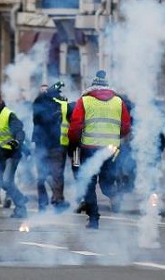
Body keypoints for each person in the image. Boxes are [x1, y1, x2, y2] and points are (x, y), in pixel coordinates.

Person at [67, 70, 131, 229]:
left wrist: (74, 142)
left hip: (89, 148)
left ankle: (94, 218)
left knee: (88, 183)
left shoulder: (85, 101)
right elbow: (126, 127)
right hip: (111, 149)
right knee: (107, 180)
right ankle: (114, 195)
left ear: (92, 87)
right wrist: (116, 137)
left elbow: (75, 126)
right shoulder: (118, 101)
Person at [32, 81, 71, 213]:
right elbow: (41, 114)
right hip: (41, 144)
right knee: (41, 176)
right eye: (42, 90)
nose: (45, 92)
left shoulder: (59, 103)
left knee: (57, 174)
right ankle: (42, 203)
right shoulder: (38, 103)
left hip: (57, 143)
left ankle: (58, 200)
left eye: (46, 90)